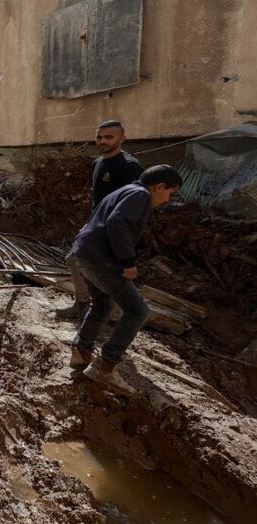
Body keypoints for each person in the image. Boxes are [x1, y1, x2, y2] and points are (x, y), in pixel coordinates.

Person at [68, 164, 183, 394]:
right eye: (170, 193)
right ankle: (106, 365)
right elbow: (117, 223)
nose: (168, 199)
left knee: (101, 304)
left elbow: (95, 221)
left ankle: (81, 353)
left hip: (85, 254)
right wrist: (128, 261)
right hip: (100, 259)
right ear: (159, 186)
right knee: (138, 310)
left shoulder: (124, 191)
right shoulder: (140, 194)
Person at [56, 120, 144, 319]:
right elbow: (100, 201)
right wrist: (89, 225)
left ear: (122, 139)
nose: (102, 141)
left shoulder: (129, 167)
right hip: (97, 226)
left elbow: (132, 206)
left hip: (115, 229)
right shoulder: (98, 163)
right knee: (75, 260)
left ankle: (114, 313)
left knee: (109, 270)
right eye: (99, 137)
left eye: (109, 137)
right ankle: (84, 304)